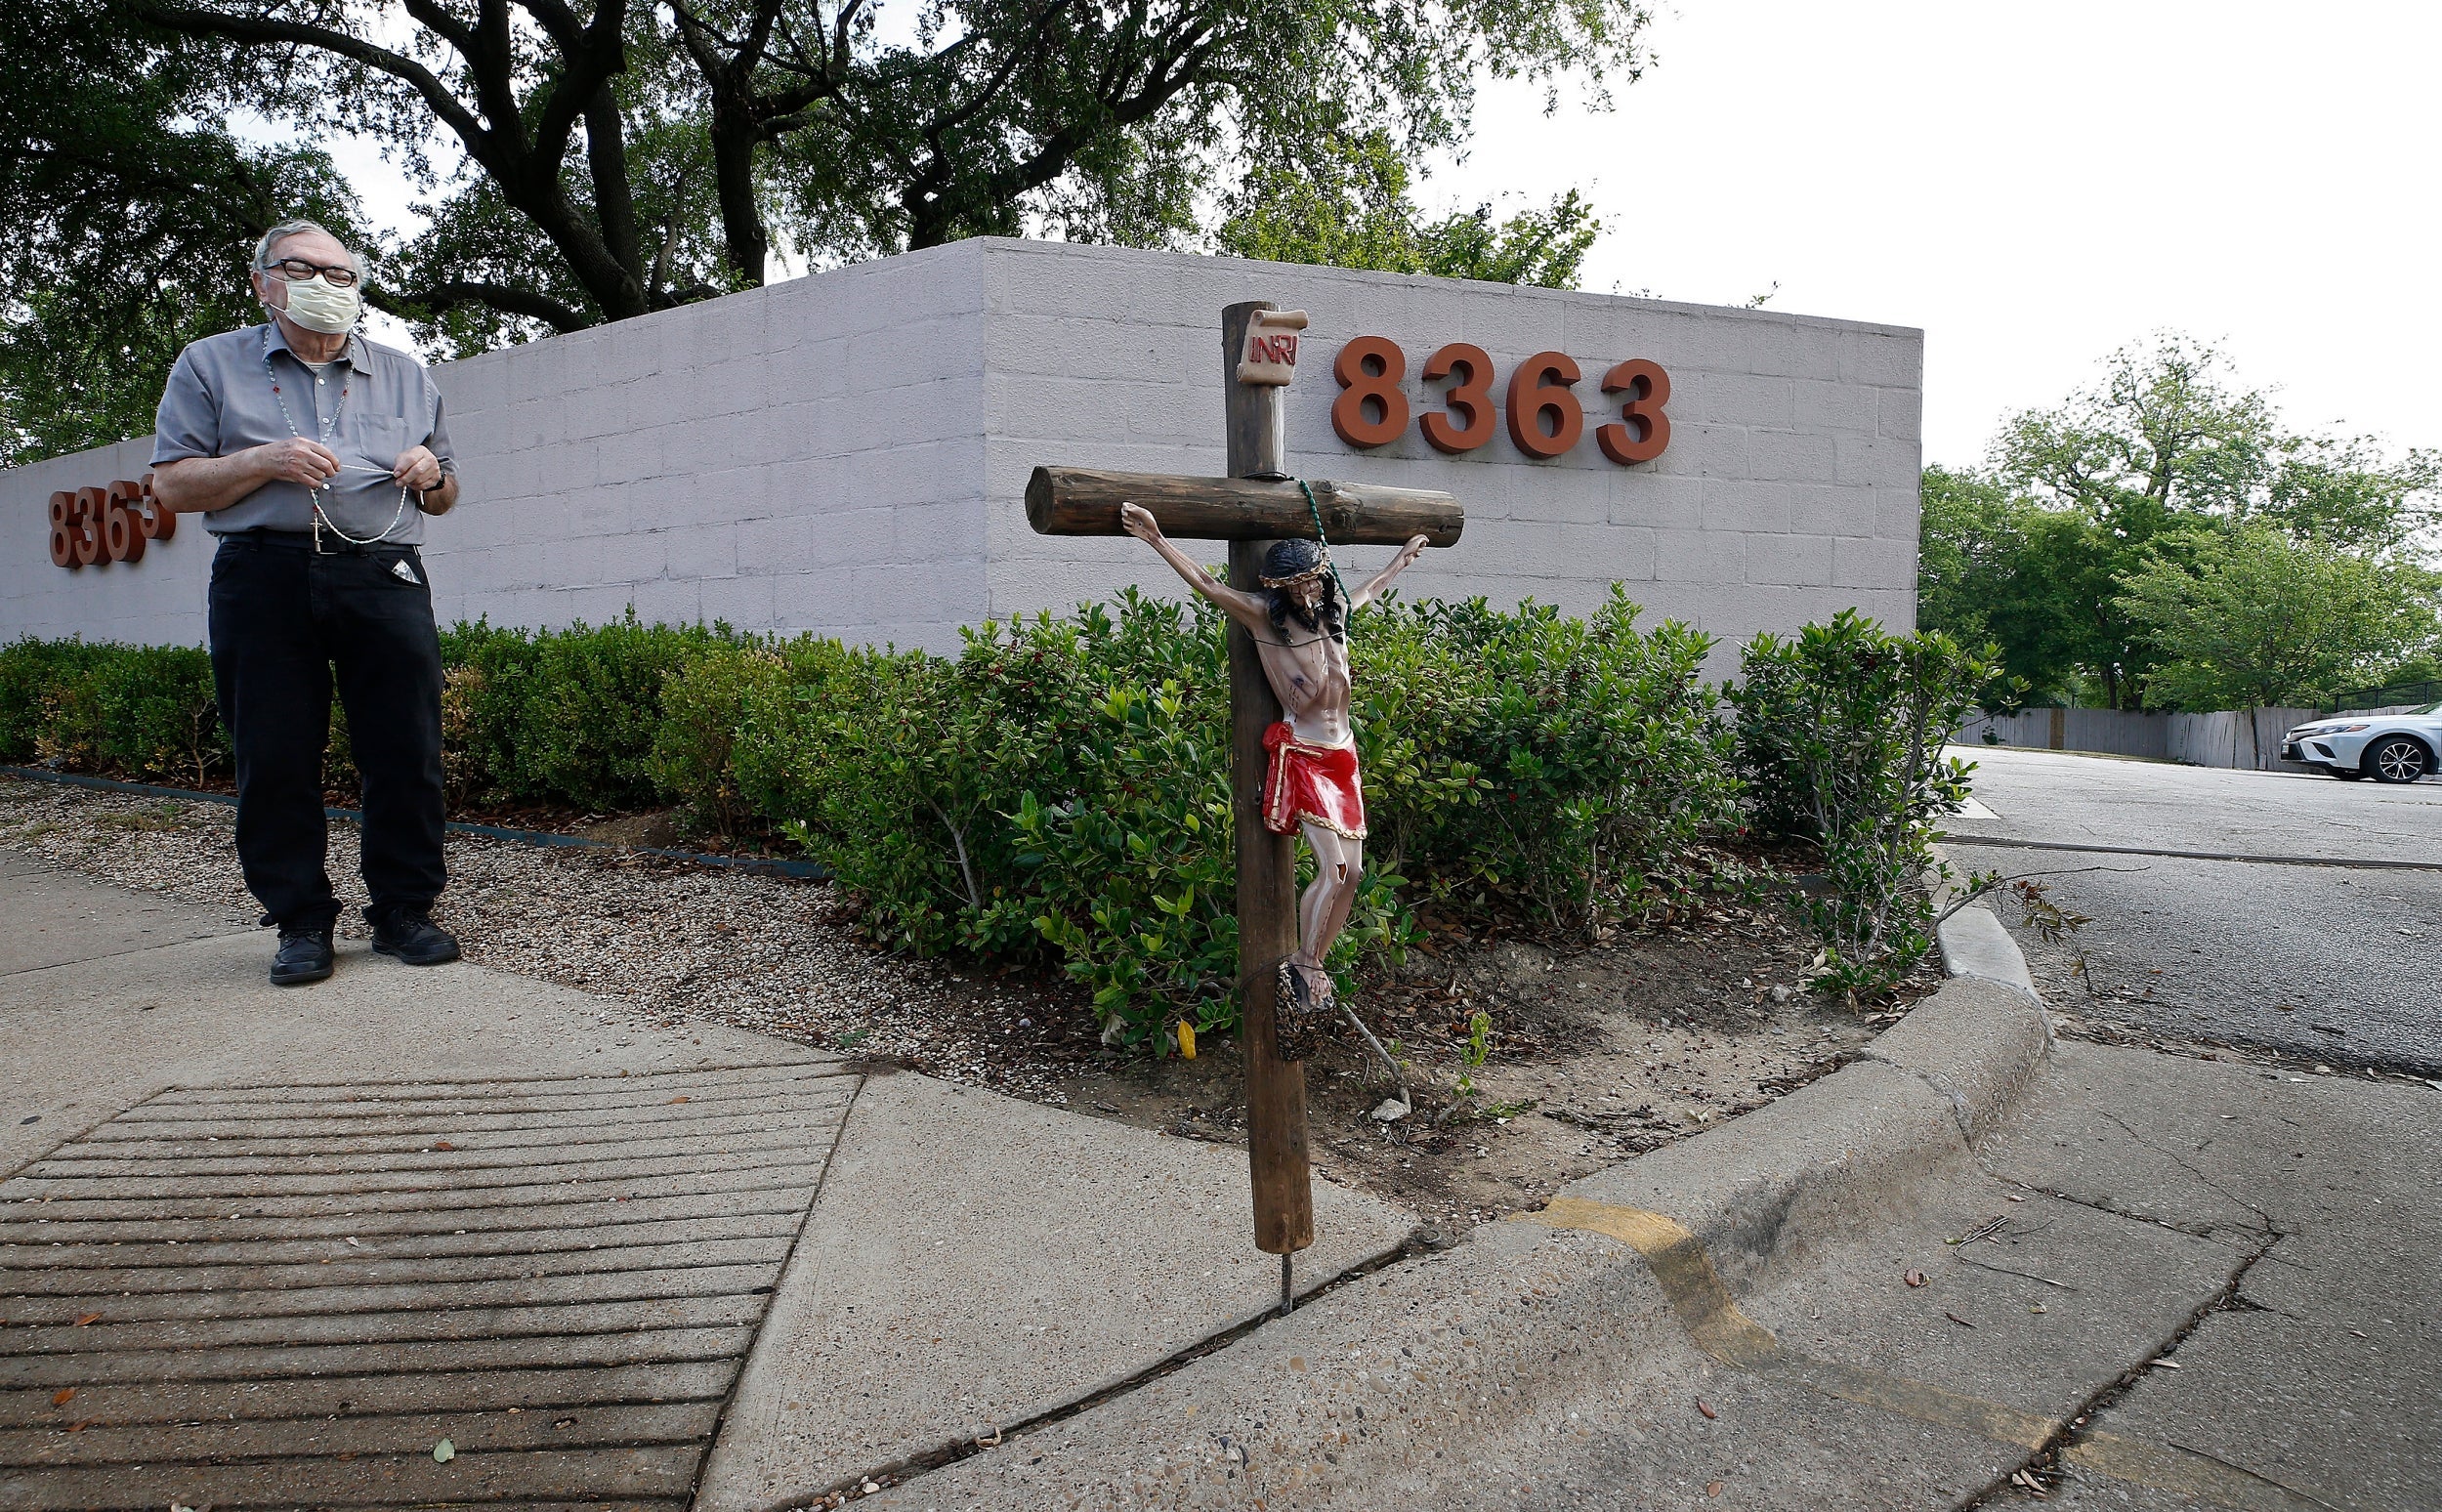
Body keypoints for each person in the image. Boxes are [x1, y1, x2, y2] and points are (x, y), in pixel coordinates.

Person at [149, 219, 463, 986]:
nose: (327, 285)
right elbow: (170, 484)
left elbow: (449, 493)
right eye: (304, 269)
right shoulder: (209, 365)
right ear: (264, 282)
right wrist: (263, 461)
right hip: (263, 570)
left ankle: (402, 909)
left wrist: (430, 473)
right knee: (275, 750)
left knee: (406, 746)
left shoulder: (404, 373)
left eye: (342, 274)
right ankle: (300, 920)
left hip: (382, 568)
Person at [1117, 502, 1429, 1052]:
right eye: (1296, 586)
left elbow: (1373, 589)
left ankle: (1318, 963)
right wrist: (1156, 539)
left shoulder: (1336, 615)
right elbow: (1211, 586)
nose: (1307, 594)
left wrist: (1401, 561)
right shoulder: (1266, 617)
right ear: (1279, 588)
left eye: (1313, 581)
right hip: (1305, 750)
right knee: (1332, 870)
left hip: (1343, 753)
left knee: (1354, 875)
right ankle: (1304, 965)